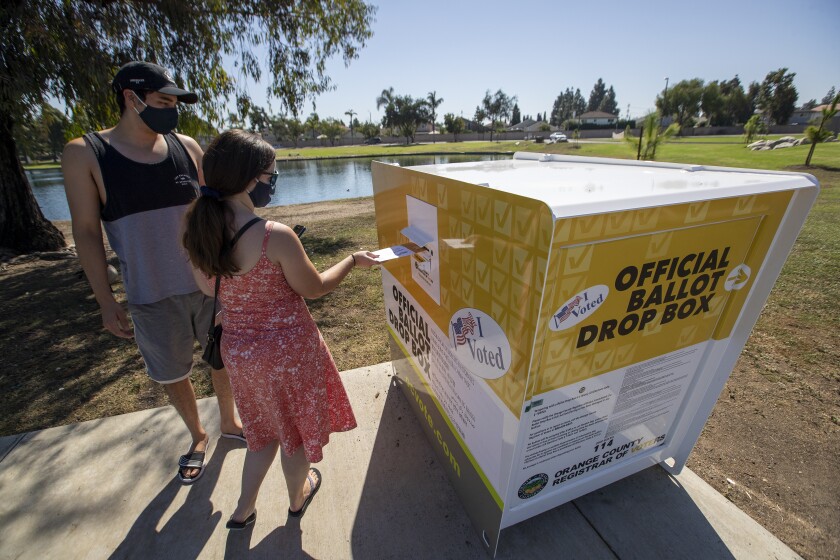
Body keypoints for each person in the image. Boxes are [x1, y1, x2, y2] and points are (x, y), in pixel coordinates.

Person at [181, 129, 379, 528]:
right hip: (288, 355)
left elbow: (209, 289)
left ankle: (243, 509)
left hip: (240, 353)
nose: (274, 181)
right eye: (272, 174)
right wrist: (353, 261)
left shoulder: (198, 229)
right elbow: (316, 288)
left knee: (262, 432)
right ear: (252, 179)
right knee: (294, 434)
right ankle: (296, 496)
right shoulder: (274, 236)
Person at [62, 61, 244, 485]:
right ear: (132, 97)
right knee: (171, 370)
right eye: (163, 101)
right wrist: (106, 300)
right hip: (150, 293)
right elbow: (87, 233)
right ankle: (198, 436)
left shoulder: (186, 146)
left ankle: (230, 423)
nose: (171, 110)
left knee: (223, 356)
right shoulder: (86, 154)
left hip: (209, 284)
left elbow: (218, 211)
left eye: (174, 102)